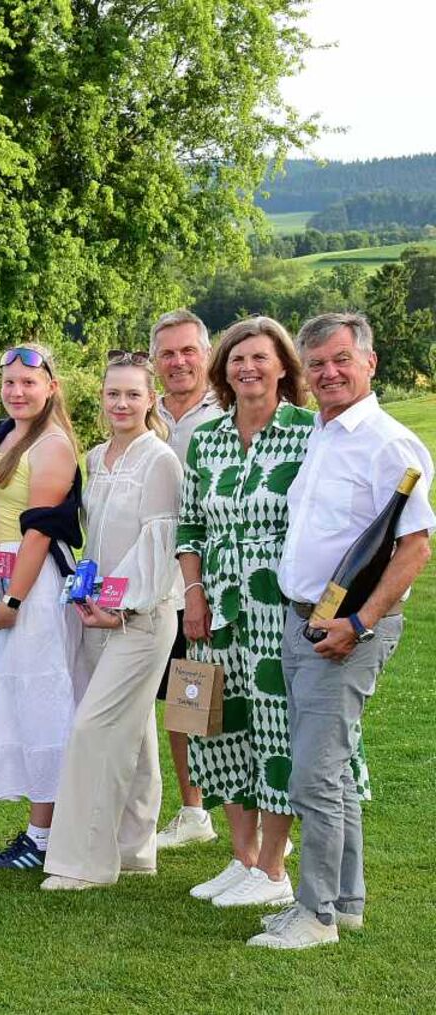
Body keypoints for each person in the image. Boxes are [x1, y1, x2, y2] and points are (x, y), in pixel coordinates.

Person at [254, 312, 433, 949]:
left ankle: (315, 915)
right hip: (303, 620)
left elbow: (414, 546)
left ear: (369, 363)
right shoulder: (322, 433)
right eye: (317, 364)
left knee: (313, 775)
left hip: (346, 633)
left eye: (341, 360)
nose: (329, 373)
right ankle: (346, 902)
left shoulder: (388, 444)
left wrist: (359, 622)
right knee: (330, 769)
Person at [177, 317, 323, 910]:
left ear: (283, 366)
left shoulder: (308, 433)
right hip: (215, 606)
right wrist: (193, 594)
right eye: (237, 359)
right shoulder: (207, 438)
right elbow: (190, 525)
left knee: (273, 728)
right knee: (218, 726)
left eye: (260, 357)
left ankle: (273, 868)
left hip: (278, 605)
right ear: (223, 370)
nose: (248, 368)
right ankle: (242, 857)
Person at [41, 353, 182, 889]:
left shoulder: (160, 460)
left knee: (94, 729)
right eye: (113, 394)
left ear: (150, 399)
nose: (121, 404)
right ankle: (134, 847)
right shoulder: (96, 457)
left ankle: (82, 863)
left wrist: (119, 605)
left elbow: (158, 544)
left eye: (132, 394)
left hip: (141, 617)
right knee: (135, 733)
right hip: (96, 614)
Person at [0, 343, 82, 872]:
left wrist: (14, 599)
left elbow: (39, 530)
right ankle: (40, 827)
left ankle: (44, 836)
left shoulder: (53, 444)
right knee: (13, 697)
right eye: (9, 382)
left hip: (31, 583)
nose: (17, 392)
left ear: (51, 387)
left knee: (42, 701)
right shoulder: (3, 434)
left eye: (28, 383)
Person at [148, 310, 228, 852]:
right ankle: (194, 809)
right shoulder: (144, 410)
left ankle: (250, 811)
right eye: (167, 353)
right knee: (181, 696)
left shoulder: (227, 410)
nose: (178, 362)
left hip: (217, 576)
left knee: (229, 697)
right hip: (161, 581)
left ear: (206, 353)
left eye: (187, 351)